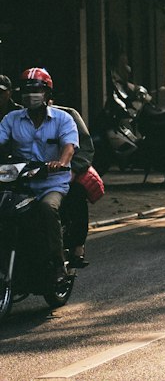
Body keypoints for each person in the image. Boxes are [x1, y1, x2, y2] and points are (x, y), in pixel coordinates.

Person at [0, 67, 77, 275]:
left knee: (47, 208)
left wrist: (60, 162)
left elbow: (69, 147)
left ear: (47, 93)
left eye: (36, 89)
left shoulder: (63, 119)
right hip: (20, 184)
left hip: (52, 183)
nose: (30, 94)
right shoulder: (11, 119)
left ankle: (58, 261)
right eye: (26, 90)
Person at [52, 100, 96, 269]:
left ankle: (77, 246)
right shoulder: (16, 117)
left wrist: (73, 170)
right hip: (28, 174)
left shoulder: (68, 115)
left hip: (64, 172)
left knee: (76, 193)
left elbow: (83, 149)